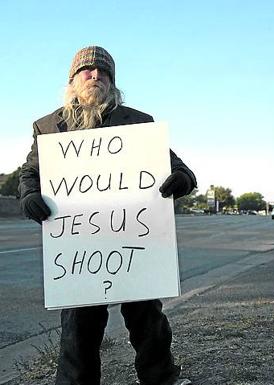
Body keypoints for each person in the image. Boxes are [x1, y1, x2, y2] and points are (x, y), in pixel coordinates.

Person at [18, 46, 196, 385]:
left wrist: (182, 179)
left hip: (135, 240)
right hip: (78, 245)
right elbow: (31, 173)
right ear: (73, 80)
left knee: (147, 320)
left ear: (112, 82)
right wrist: (29, 196)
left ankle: (162, 379)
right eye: (87, 71)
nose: (96, 76)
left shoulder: (140, 123)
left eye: (104, 72)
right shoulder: (48, 127)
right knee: (78, 327)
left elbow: (179, 167)